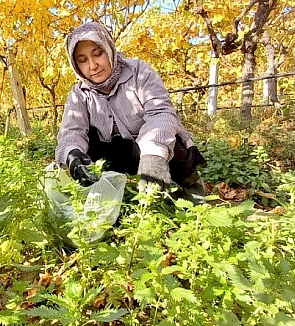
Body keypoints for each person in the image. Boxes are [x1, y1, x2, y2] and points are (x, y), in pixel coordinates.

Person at [54, 22, 207, 203]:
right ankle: (114, 198)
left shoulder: (138, 72)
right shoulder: (79, 94)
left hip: (144, 147)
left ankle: (192, 188)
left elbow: (161, 113)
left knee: (172, 140)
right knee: (86, 148)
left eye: (98, 54)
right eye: (83, 60)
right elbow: (71, 131)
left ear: (109, 50)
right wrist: (73, 154)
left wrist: (153, 156)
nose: (93, 65)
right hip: (115, 153)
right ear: (76, 65)